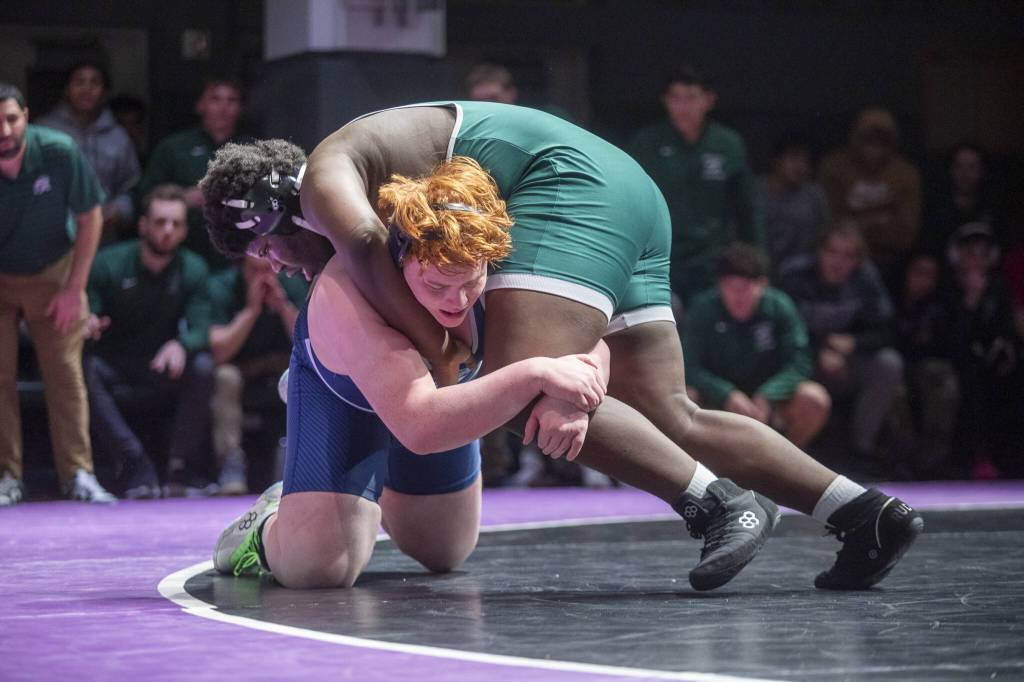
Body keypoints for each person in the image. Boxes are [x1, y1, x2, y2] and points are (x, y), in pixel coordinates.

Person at [206, 102, 922, 591]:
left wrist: (450, 349)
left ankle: (715, 503)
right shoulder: (398, 197)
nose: (278, 264)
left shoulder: (331, 186)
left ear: (276, 209)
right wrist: (574, 361)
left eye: (269, 247)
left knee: (514, 385)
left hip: (571, 191)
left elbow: (364, 248)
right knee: (672, 413)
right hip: (629, 194)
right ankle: (862, 515)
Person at [204, 154, 664, 589]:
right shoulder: (346, 289)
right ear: (399, 260)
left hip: (432, 393)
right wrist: (538, 374)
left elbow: (596, 335)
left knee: (444, 550)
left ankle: (349, 492)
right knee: (322, 566)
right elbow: (423, 427)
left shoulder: (498, 261)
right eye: (437, 284)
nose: (457, 301)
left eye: (471, 283)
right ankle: (271, 524)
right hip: (353, 394)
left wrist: (577, 392)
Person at [0, 83, 115, 505]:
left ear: (26, 116)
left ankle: (79, 475)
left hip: (54, 273)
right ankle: (6, 478)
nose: (4, 130)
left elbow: (90, 217)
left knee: (66, 376)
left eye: (11, 118)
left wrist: (75, 289)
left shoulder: (59, 151)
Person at [83, 184, 216, 498]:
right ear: (143, 225)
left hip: (161, 363)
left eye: (176, 223)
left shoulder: (194, 269)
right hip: (115, 361)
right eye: (160, 222)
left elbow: (202, 327)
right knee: (82, 368)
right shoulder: (108, 264)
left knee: (203, 366)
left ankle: (177, 468)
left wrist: (182, 344)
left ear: (185, 230)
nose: (168, 230)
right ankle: (133, 462)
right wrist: (88, 322)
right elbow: (86, 310)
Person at [626, 65, 764, 307]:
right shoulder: (646, 143)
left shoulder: (728, 144)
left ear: (708, 100)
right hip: (660, 258)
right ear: (665, 101)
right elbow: (629, 203)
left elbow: (747, 209)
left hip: (713, 259)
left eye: (691, 98)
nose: (683, 107)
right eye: (675, 98)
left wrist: (756, 261)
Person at [777, 221, 905, 463]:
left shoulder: (866, 279)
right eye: (832, 252)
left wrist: (855, 343)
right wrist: (818, 351)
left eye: (848, 255)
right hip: (798, 362)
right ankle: (787, 459)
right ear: (819, 252)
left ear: (858, 261)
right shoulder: (794, 275)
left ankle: (862, 451)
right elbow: (777, 328)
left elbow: (888, 329)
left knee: (889, 363)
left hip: (845, 361)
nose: (838, 261)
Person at [684, 244, 830, 449]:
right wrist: (726, 394)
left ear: (762, 284)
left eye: (744, 288)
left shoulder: (779, 307)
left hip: (769, 399)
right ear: (719, 285)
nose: (737, 296)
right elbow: (688, 367)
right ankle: (704, 465)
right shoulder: (702, 310)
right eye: (729, 287)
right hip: (718, 401)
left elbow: (800, 361)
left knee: (814, 399)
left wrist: (769, 394)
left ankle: (784, 462)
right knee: (685, 397)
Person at [207, 255, 308, 494]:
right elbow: (218, 352)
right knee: (224, 377)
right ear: (242, 267)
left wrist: (283, 306)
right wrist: (251, 311)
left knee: (309, 373)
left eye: (269, 270)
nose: (264, 279)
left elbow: (310, 344)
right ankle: (231, 464)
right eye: (255, 270)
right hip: (241, 366)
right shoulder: (222, 286)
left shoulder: (292, 282)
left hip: (282, 365)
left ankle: (298, 464)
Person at [138, 76, 247, 270]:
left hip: (238, 255)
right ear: (200, 105)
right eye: (215, 99)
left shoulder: (253, 150)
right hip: (181, 252)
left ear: (240, 108)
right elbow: (144, 196)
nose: (224, 107)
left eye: (232, 100)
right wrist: (183, 198)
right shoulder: (173, 148)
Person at [37, 60, 140, 242]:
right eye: (79, 82)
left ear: (105, 93)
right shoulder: (43, 131)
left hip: (103, 236)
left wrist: (118, 211)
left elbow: (130, 189)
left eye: (95, 83)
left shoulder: (119, 137)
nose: (87, 89)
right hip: (50, 235)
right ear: (66, 90)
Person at [819, 107, 922, 286]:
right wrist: (880, 219)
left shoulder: (906, 175)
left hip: (891, 263)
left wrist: (857, 222)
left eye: (882, 140)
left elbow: (906, 233)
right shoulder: (834, 168)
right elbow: (829, 223)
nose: (874, 146)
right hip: (841, 261)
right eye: (868, 139)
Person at [756, 134, 830, 272]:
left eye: (805, 161)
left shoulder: (814, 195)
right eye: (794, 158)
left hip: (803, 272)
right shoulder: (753, 192)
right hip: (758, 268)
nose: (801, 166)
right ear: (776, 160)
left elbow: (825, 236)